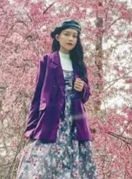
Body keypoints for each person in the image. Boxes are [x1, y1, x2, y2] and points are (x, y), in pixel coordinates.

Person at [16, 20, 98, 179]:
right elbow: (37, 95)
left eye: (75, 36)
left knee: (76, 162)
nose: (71, 39)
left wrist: (83, 89)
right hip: (51, 119)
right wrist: (31, 127)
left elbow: (86, 97)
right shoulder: (47, 61)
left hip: (74, 121)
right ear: (58, 36)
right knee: (42, 162)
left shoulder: (79, 64)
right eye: (67, 34)